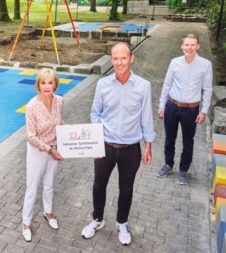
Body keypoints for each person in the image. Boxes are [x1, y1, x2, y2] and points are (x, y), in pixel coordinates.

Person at [81, 42, 155, 245]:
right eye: (115, 58)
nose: (119, 62)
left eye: (123, 58)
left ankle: (122, 223)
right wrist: (95, 140)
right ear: (111, 59)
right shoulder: (102, 84)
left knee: (126, 189)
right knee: (98, 186)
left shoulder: (143, 86)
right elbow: (95, 114)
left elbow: (146, 117)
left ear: (131, 58)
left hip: (131, 149)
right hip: (105, 147)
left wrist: (148, 145)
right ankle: (97, 219)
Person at [156, 33, 213, 185]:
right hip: (172, 106)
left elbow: (207, 89)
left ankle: (183, 170)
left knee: (188, 141)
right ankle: (168, 164)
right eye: (186, 44)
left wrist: (203, 111)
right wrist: (162, 105)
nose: (189, 47)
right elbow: (167, 85)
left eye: (192, 44)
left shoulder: (205, 65)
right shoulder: (174, 62)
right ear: (182, 46)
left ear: (198, 46)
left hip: (191, 110)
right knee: (169, 139)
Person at [21, 68, 64, 242]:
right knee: (32, 188)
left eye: (50, 82)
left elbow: (60, 124)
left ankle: (48, 212)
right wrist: (49, 149)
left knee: (49, 184)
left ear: (55, 84)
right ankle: (25, 223)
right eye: (43, 82)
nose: (47, 86)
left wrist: (72, 140)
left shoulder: (60, 101)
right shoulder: (32, 106)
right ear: (38, 85)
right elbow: (31, 136)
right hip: (38, 151)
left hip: (54, 148)